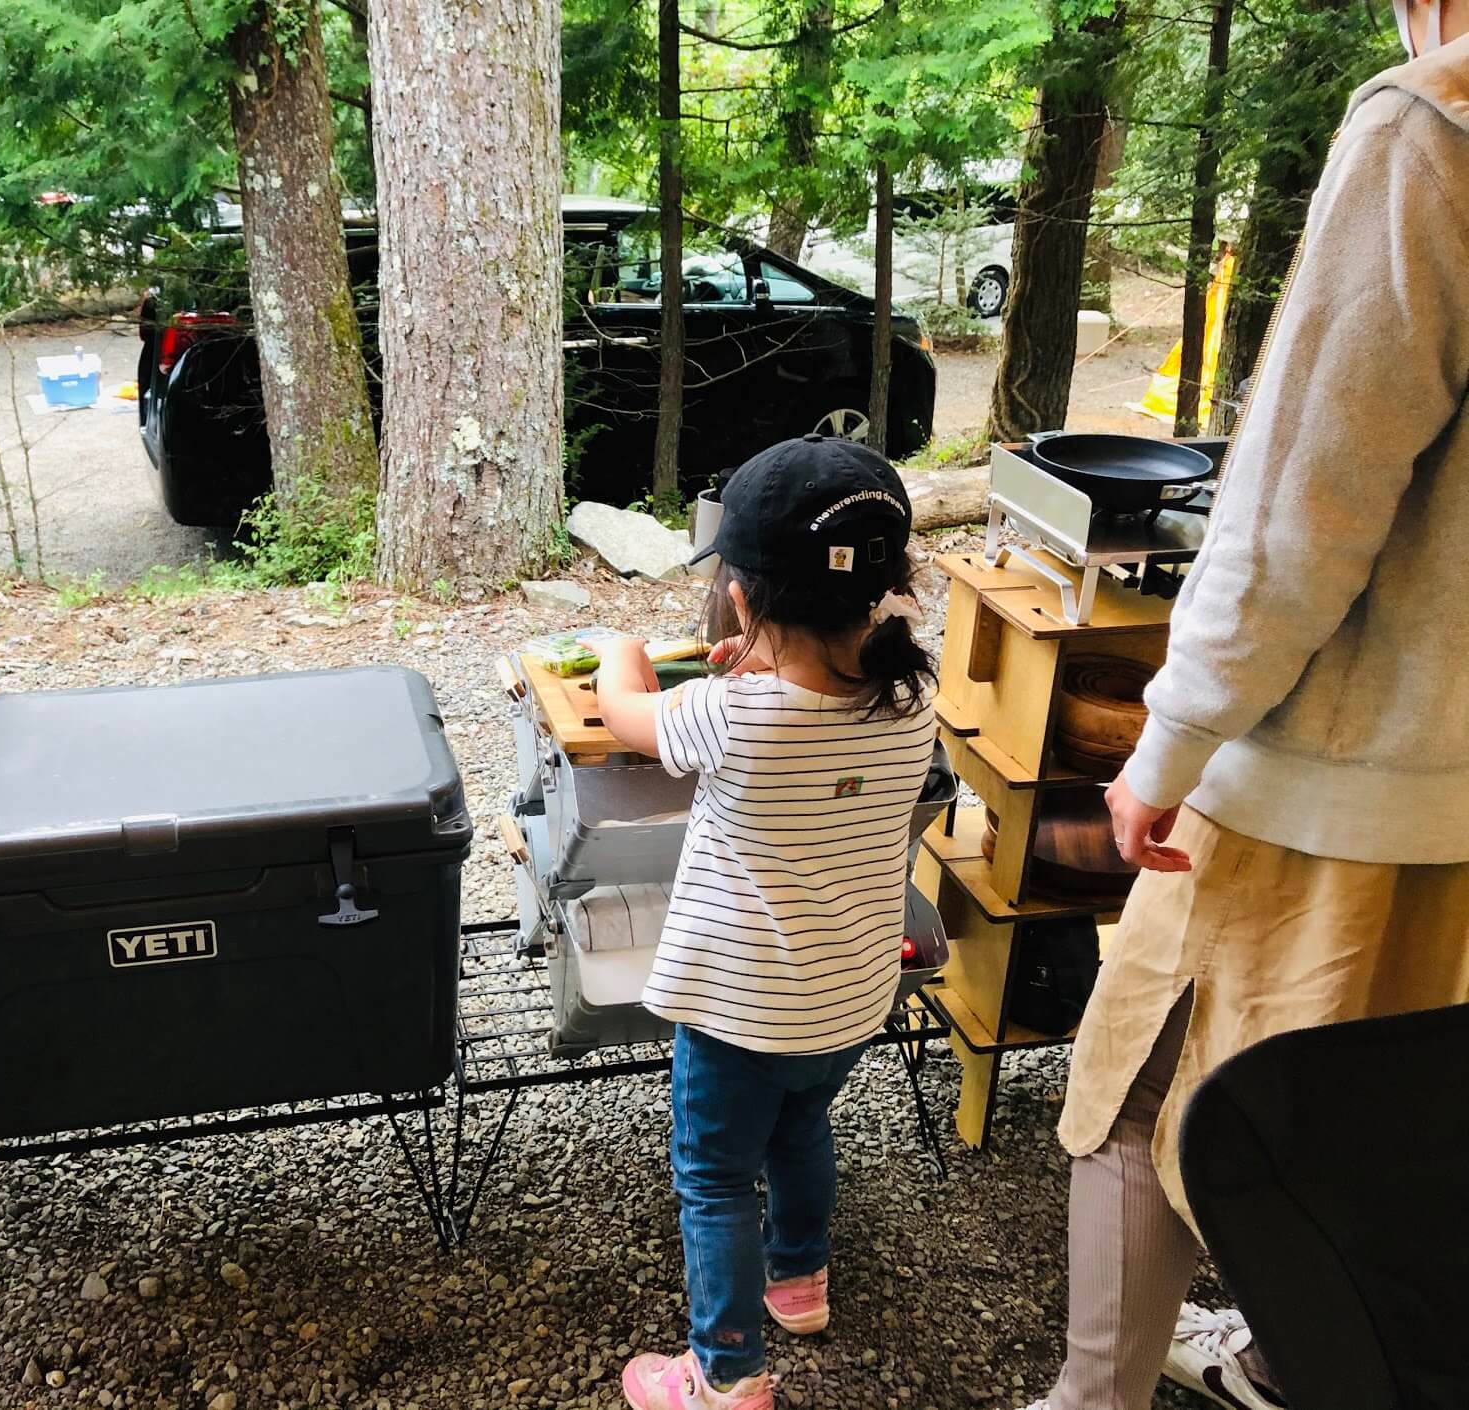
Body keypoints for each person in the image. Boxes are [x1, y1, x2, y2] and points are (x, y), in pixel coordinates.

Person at [1020, 10, 1469, 1410]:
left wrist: (1168, 741)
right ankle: (1289, 1360)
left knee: (1142, 1083)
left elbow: (1297, 505)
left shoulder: (1432, 126)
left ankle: (1096, 1398)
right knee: (1395, 1118)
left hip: (1331, 772)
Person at [593, 436, 937, 1410]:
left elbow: (625, 710)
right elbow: (815, 696)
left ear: (740, 597)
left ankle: (725, 1375)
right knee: (800, 1132)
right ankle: (799, 1284)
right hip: (846, 998)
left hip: (738, 1010)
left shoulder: (728, 716)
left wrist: (624, 652)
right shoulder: (913, 696)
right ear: (882, 585)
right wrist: (749, 666)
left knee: (711, 1178)